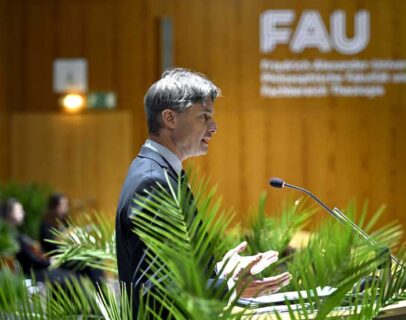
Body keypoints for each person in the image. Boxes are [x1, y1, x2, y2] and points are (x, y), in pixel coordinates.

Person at [115, 68, 291, 317]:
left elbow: (177, 271)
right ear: (170, 118)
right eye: (204, 117)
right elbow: (156, 289)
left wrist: (222, 272)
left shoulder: (162, 172)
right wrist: (228, 288)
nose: (214, 127)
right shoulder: (152, 181)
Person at [0, 198, 72, 283]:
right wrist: (48, 262)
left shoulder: (15, 233)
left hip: (37, 268)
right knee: (67, 278)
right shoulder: (8, 236)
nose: (23, 213)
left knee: (68, 275)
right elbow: (28, 259)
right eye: (19, 211)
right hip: (30, 273)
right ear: (9, 213)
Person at [40, 193, 104, 285]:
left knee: (95, 259)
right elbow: (53, 246)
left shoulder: (64, 222)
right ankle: (100, 292)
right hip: (59, 258)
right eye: (63, 205)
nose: (66, 208)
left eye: (67, 205)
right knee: (91, 261)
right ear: (54, 207)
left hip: (70, 255)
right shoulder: (47, 225)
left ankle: (99, 291)